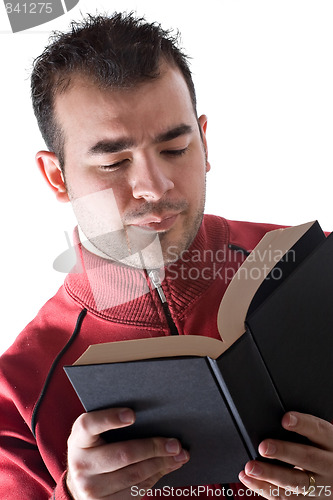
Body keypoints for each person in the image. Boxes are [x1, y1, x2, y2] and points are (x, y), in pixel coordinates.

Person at [0, 11, 332, 500]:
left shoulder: (317, 269)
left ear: (204, 140)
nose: (154, 188)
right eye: (113, 162)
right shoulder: (19, 393)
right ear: (57, 177)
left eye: (175, 148)